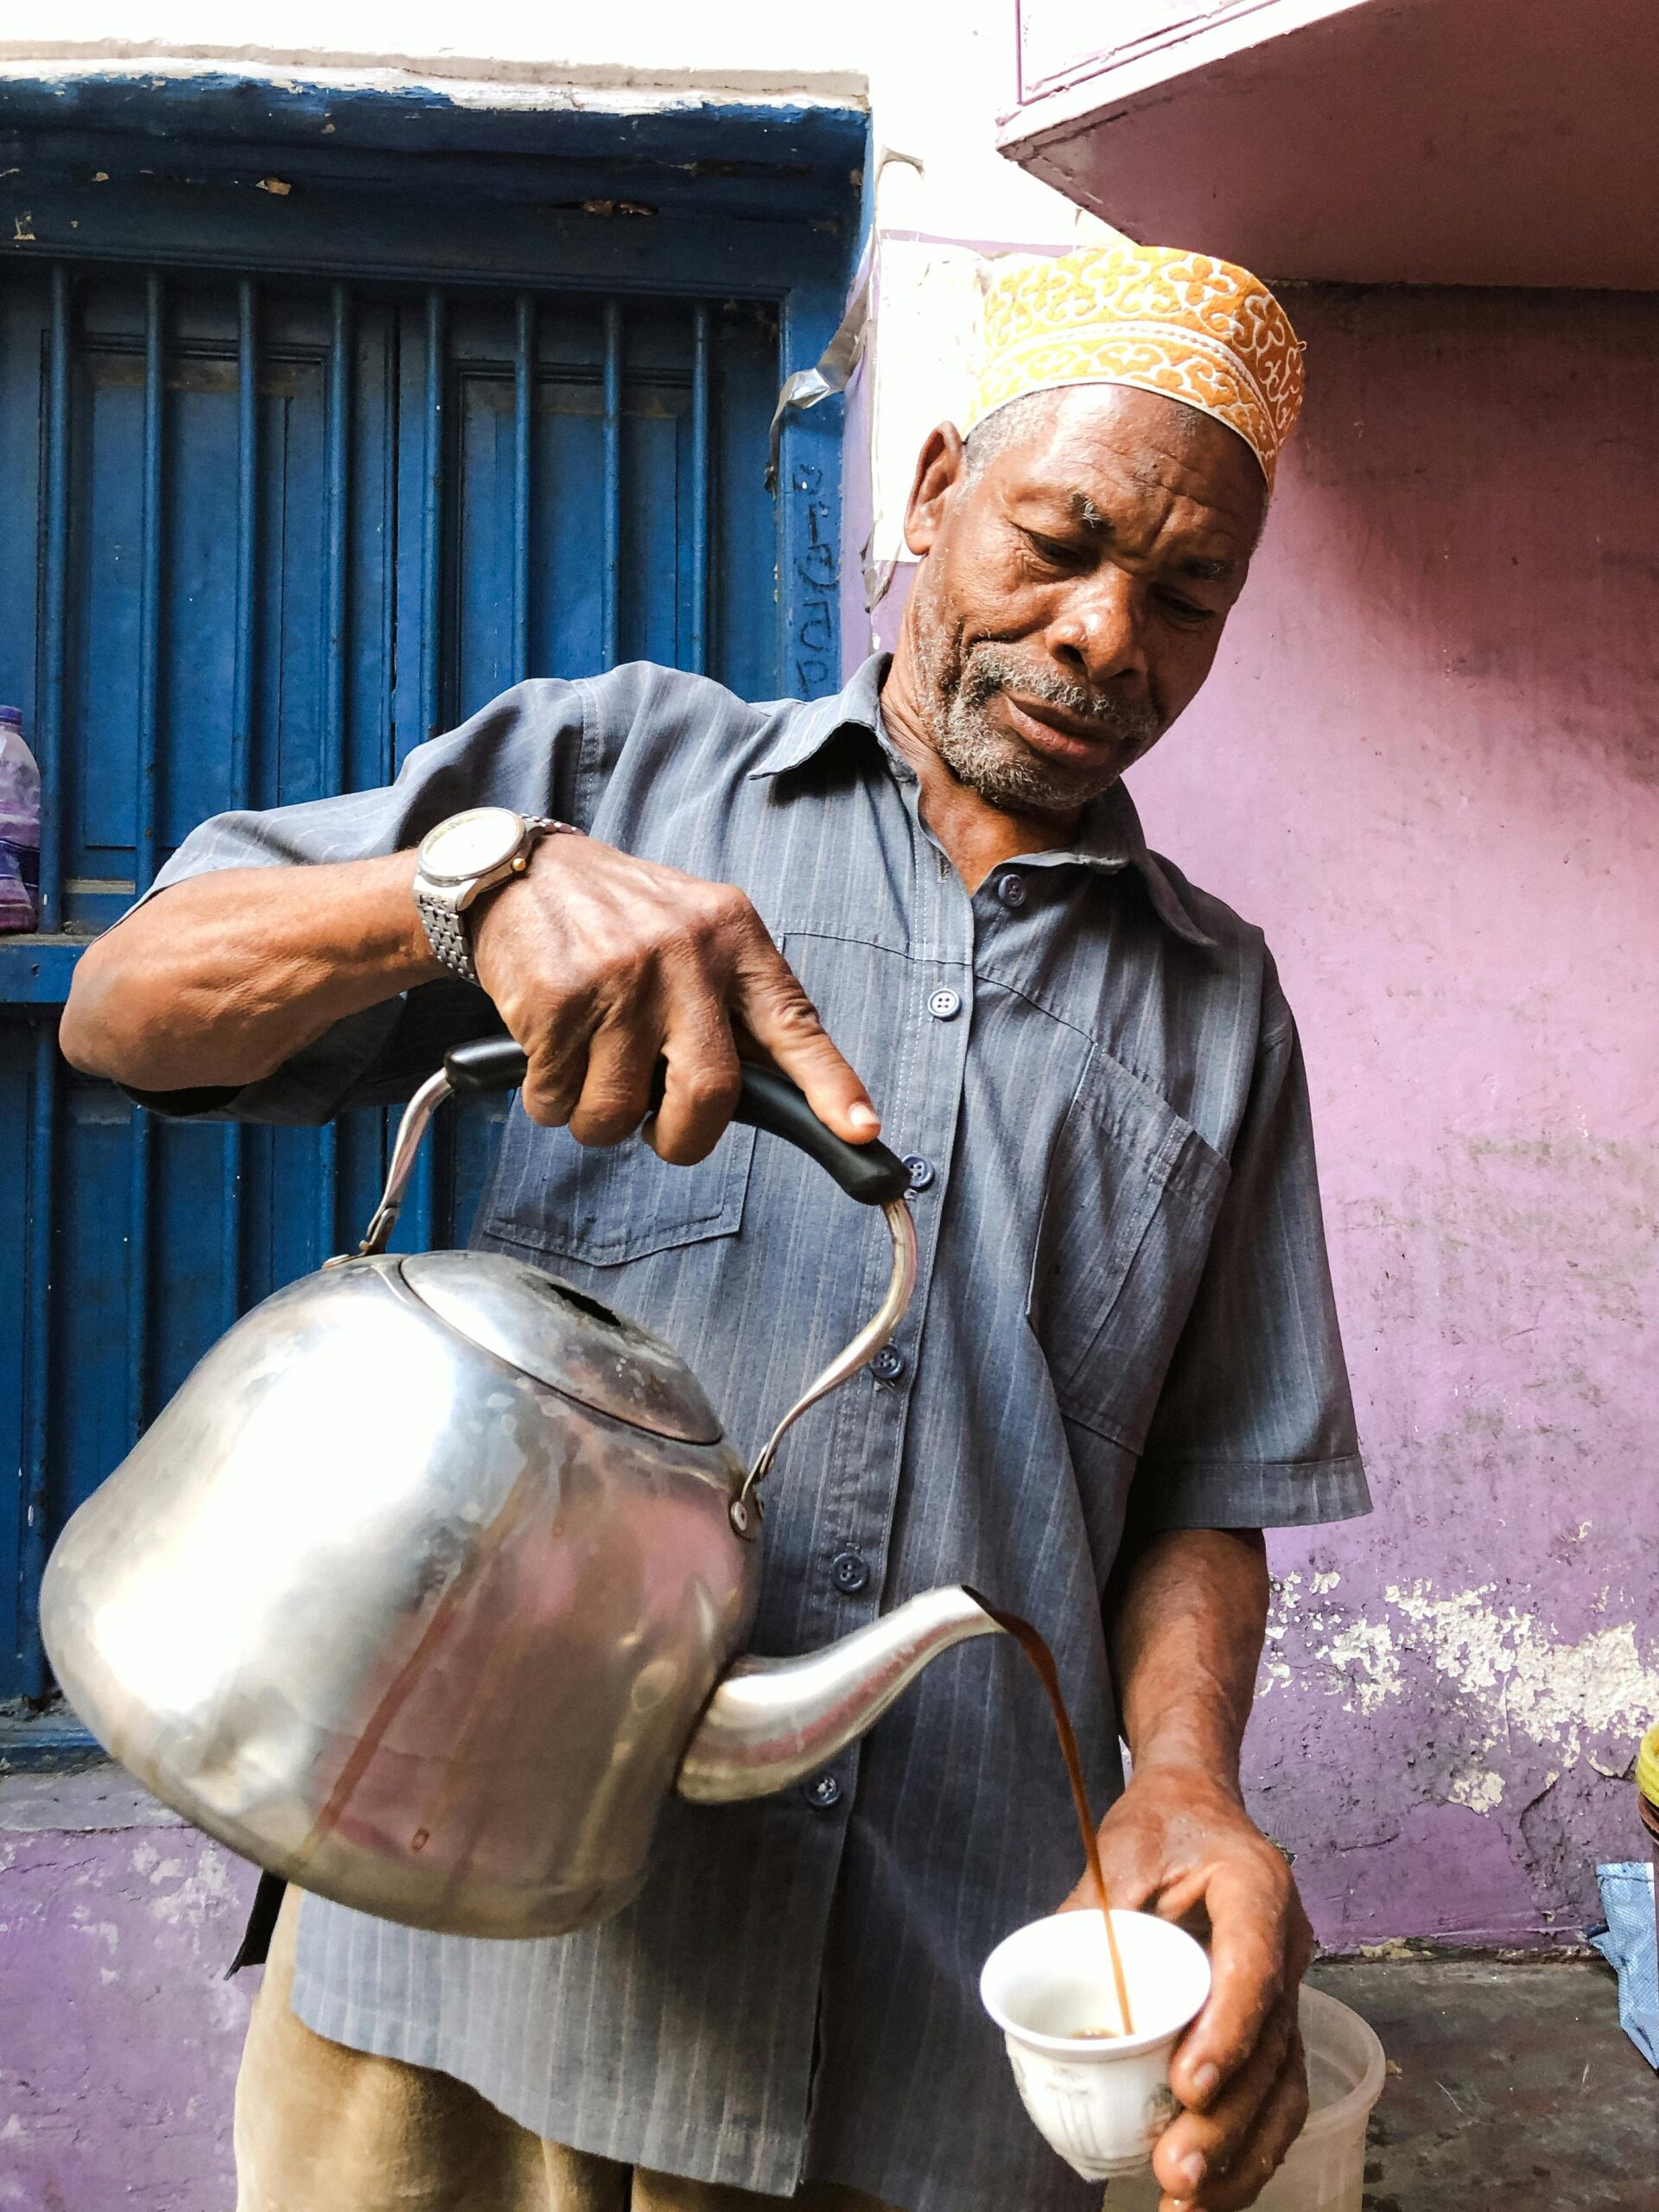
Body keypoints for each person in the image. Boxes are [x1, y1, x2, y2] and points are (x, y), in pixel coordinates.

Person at [61, 243, 1369, 2212]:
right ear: (932, 491)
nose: (1110, 634)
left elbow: (1205, 1474)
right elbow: (122, 1007)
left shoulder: (1219, 1008)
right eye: (1060, 540)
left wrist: (1183, 1770)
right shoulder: (616, 777)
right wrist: (464, 888)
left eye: (1188, 595)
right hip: (471, 1987)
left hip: (930, 2051)